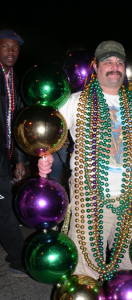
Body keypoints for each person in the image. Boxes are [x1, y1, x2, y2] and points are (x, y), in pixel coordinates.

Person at [38, 40, 132, 282]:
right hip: (88, 197)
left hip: (130, 198)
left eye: (119, 62)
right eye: (108, 62)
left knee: (130, 269)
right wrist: (46, 153)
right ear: (96, 67)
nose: (115, 67)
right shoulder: (76, 101)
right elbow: (54, 134)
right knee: (85, 269)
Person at [0, 29, 28, 276]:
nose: (11, 51)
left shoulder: (13, 78)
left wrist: (18, 159)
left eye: (15, 47)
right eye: (5, 46)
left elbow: (17, 121)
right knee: (3, 207)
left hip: (5, 156)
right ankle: (19, 259)